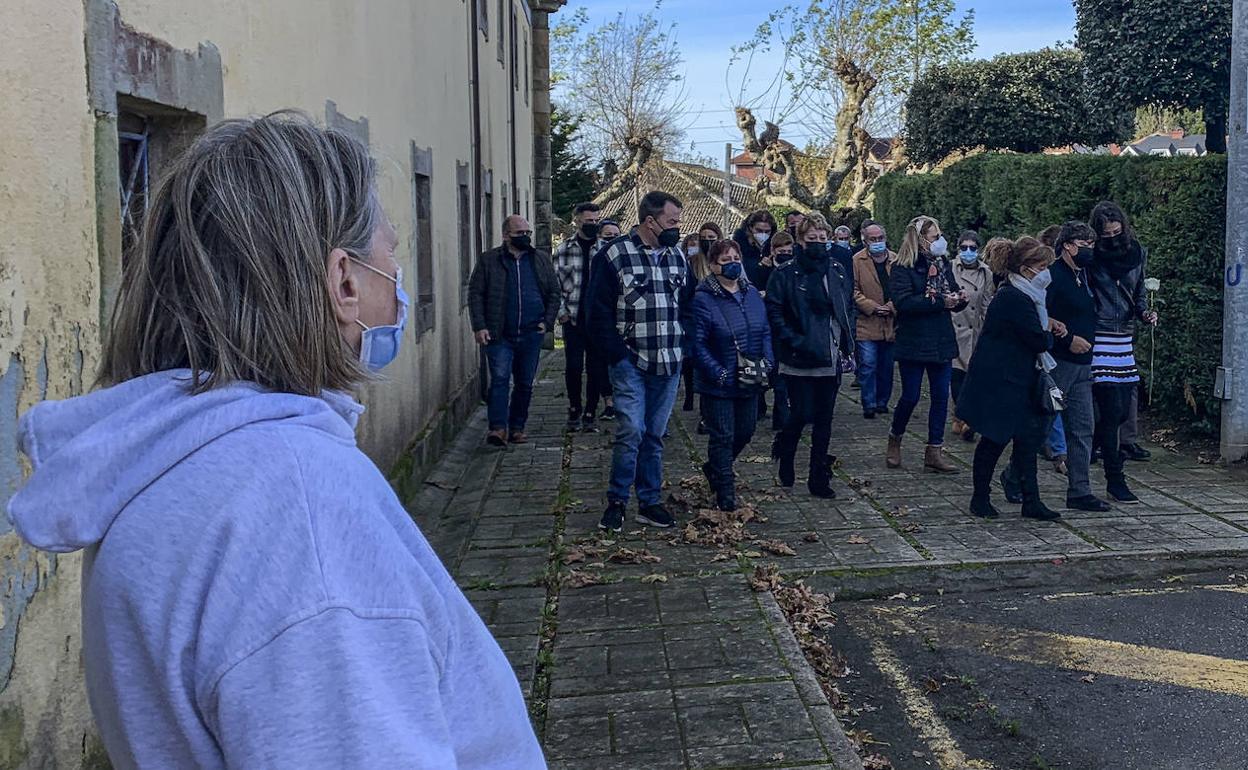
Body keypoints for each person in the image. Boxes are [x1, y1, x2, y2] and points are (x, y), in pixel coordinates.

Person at [5, 114, 545, 768]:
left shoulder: (167, 459)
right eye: (392, 257)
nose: (399, 283)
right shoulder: (300, 507)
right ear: (344, 281)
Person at [588, 191, 688, 532]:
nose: (677, 227)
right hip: (630, 359)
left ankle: (649, 501)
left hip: (669, 360)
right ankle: (616, 501)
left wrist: (685, 343)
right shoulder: (614, 255)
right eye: (672, 221)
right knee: (631, 429)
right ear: (650, 221)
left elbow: (686, 304)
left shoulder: (677, 256)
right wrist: (616, 354)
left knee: (654, 435)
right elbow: (597, 311)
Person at [956, 237, 1061, 520]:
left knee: (1026, 442)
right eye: (1042, 267)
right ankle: (980, 498)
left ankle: (1031, 500)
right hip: (1002, 381)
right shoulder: (1014, 297)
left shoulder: (1024, 294)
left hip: (1019, 378)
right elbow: (1037, 339)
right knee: (994, 440)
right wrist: (1050, 335)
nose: (1045, 273)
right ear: (1026, 268)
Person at [766, 217, 855, 498]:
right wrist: (794, 340)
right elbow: (774, 311)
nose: (817, 244)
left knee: (824, 419)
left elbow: (847, 305)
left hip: (829, 353)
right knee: (801, 413)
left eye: (822, 239)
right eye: (811, 239)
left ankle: (818, 476)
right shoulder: (785, 273)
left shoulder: (837, 269)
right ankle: (786, 450)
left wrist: (847, 339)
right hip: (798, 355)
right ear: (800, 241)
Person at [691, 240, 775, 511]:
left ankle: (715, 467)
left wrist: (768, 360)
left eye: (735, 258)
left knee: (746, 431)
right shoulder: (703, 298)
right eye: (725, 260)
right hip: (719, 380)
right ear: (713, 265)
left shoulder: (751, 294)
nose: (732, 264)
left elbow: (764, 330)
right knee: (723, 436)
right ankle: (725, 494)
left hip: (750, 376)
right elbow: (697, 343)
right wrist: (718, 372)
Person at [1034, 221, 1112, 512]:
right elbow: (1040, 316)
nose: (1089, 250)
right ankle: (1015, 477)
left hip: (1082, 366)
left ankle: (1080, 490)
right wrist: (1067, 340)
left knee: (1082, 428)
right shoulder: (1052, 277)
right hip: (1058, 365)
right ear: (1067, 246)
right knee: (1044, 420)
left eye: (1092, 245)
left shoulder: (1086, 276)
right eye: (1083, 245)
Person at [1086, 201, 1158, 504]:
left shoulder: (1135, 252)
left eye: (1117, 232)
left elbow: (1138, 289)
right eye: (1107, 234)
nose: (1113, 238)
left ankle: (1096, 452)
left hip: (1124, 335)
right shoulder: (1091, 256)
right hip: (1100, 333)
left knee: (1122, 407)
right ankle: (1115, 477)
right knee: (1111, 407)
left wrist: (1144, 312)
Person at [470, 214, 560, 446]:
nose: (525, 237)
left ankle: (517, 427)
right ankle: (498, 428)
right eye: (520, 233)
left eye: (527, 233)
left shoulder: (539, 260)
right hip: (499, 332)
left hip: (531, 332)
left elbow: (554, 292)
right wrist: (480, 326)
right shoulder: (489, 261)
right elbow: (476, 294)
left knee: (525, 383)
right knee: (500, 379)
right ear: (506, 235)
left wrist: (546, 322)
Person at [886, 215, 967, 472]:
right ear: (921, 240)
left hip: (941, 338)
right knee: (910, 396)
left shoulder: (942, 264)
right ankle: (895, 437)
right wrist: (941, 302)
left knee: (941, 396)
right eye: (935, 237)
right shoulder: (902, 267)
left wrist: (959, 299)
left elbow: (950, 291)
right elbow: (904, 302)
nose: (940, 240)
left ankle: (934, 449)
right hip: (914, 339)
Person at [555, 202, 607, 433]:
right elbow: (554, 285)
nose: (593, 225)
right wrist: (562, 314)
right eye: (589, 221)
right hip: (574, 317)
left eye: (596, 221)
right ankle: (574, 407)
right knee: (574, 366)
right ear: (577, 221)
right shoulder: (563, 250)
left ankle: (590, 412)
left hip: (597, 320)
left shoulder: (606, 250)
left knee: (596, 367)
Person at [949, 230, 994, 442]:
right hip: (953, 328)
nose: (968, 252)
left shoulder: (986, 273)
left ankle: (966, 417)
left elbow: (986, 303)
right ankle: (961, 417)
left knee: (972, 377)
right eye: (964, 247)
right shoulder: (950, 267)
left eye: (972, 248)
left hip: (975, 330)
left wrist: (988, 330)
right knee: (956, 376)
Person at [852, 220, 896, 419]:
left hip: (890, 323)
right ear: (865, 241)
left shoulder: (896, 260)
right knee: (868, 364)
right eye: (873, 239)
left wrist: (892, 306)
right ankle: (868, 403)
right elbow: (853, 290)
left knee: (886, 367)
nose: (877, 242)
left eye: (880, 238)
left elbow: (903, 287)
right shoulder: (856, 261)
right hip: (867, 321)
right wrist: (871, 306)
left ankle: (882, 402)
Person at [734, 209, 777, 289]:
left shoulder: (774, 247)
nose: (763, 234)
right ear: (750, 228)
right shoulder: (738, 246)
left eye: (767, 231)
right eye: (759, 230)